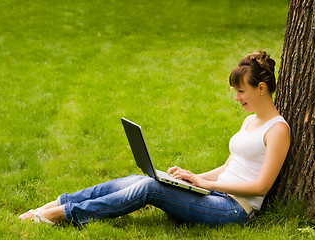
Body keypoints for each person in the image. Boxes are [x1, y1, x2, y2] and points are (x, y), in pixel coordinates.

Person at [18, 51, 290, 226]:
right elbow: (231, 166)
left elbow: (261, 187)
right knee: (146, 178)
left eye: (240, 91)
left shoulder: (277, 130)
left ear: (262, 88)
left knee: (150, 188)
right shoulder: (250, 120)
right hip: (215, 193)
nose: (236, 98)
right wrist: (191, 177)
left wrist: (205, 183)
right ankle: (60, 202)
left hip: (234, 210)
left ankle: (64, 215)